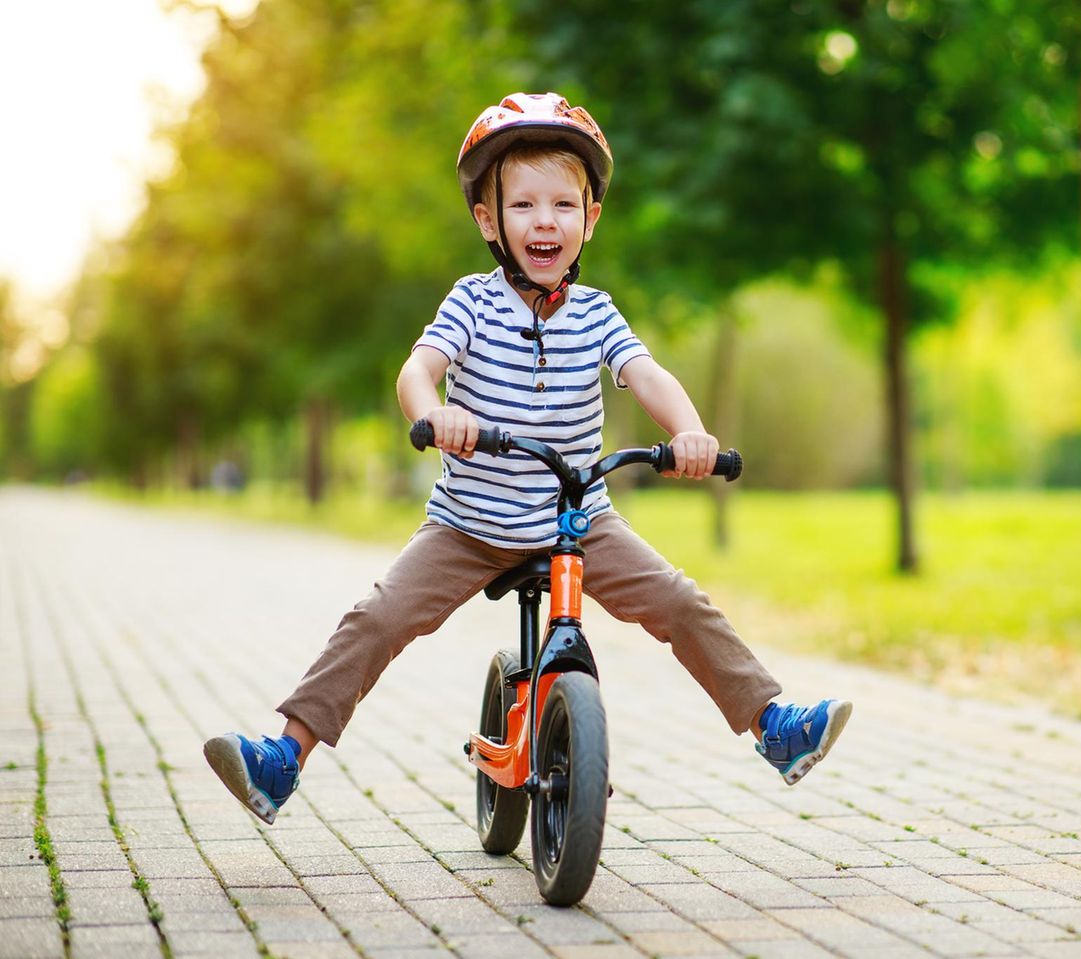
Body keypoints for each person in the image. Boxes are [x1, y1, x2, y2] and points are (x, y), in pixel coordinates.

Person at [203, 92, 851, 825]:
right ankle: (283, 757)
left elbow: (648, 377)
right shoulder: (471, 304)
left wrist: (692, 431)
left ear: (589, 219)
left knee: (678, 600)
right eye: (524, 206)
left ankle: (774, 726)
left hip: (579, 520)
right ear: (490, 220)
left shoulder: (599, 313)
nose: (546, 222)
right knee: (378, 617)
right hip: (469, 523)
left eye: (563, 206)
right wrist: (434, 412)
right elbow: (416, 372)